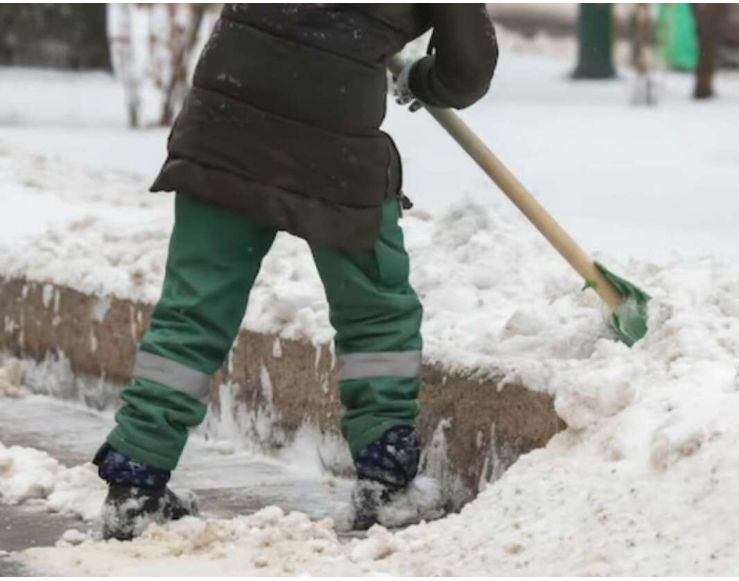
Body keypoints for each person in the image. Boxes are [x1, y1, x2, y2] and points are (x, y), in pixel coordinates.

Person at [92, 4, 498, 540]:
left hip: (225, 117)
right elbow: (467, 69)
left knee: (194, 309)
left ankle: (135, 485)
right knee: (374, 310)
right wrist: (422, 77)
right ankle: (385, 483)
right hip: (331, 140)